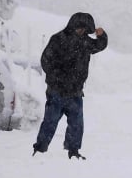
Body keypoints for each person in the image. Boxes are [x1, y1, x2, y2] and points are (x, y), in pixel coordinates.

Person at [32, 12, 108, 160]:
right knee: (50, 121)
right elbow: (45, 61)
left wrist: (102, 35)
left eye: (85, 30)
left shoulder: (85, 42)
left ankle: (73, 151)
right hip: (56, 91)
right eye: (79, 28)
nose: (81, 31)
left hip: (75, 92)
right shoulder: (57, 39)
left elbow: (99, 46)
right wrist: (57, 78)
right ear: (72, 26)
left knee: (77, 124)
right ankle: (40, 149)